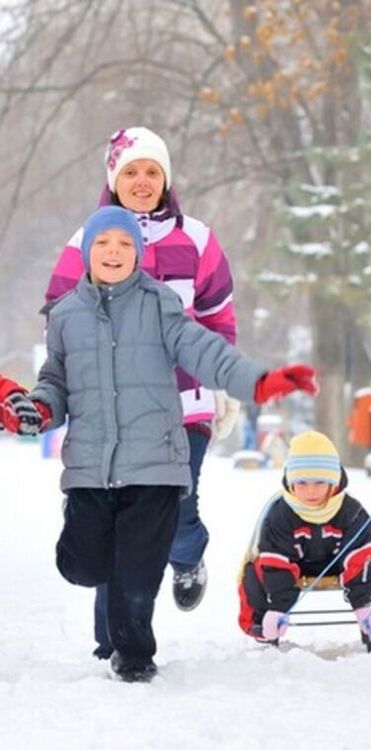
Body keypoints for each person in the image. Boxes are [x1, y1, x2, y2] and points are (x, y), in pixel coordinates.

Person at [29, 206, 317, 682]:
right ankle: (102, 572)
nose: (114, 252)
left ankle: (135, 659)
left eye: (124, 244)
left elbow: (204, 350)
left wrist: (258, 383)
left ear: (138, 254)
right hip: (90, 466)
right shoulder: (65, 316)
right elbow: (54, 382)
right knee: (83, 566)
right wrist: (39, 409)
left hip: (156, 463)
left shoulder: (159, 303)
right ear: (87, 253)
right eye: (103, 244)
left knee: (137, 576)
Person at [44, 126, 240, 628]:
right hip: (111, 409)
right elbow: (62, 314)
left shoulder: (195, 239)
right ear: (114, 178)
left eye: (152, 171)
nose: (141, 181)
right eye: (130, 171)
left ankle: (188, 551)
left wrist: (220, 382)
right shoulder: (86, 239)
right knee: (116, 523)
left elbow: (219, 315)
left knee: (177, 509)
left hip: (182, 404)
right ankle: (113, 639)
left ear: (166, 178)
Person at [237, 431, 371, 649]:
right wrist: (279, 607)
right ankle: (261, 621)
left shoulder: (351, 511)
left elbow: (360, 557)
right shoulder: (280, 515)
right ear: (291, 483)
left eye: (320, 482)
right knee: (254, 570)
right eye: (302, 483)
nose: (311, 491)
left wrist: (363, 605)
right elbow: (276, 560)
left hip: (342, 566)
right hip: (293, 567)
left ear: (334, 480)